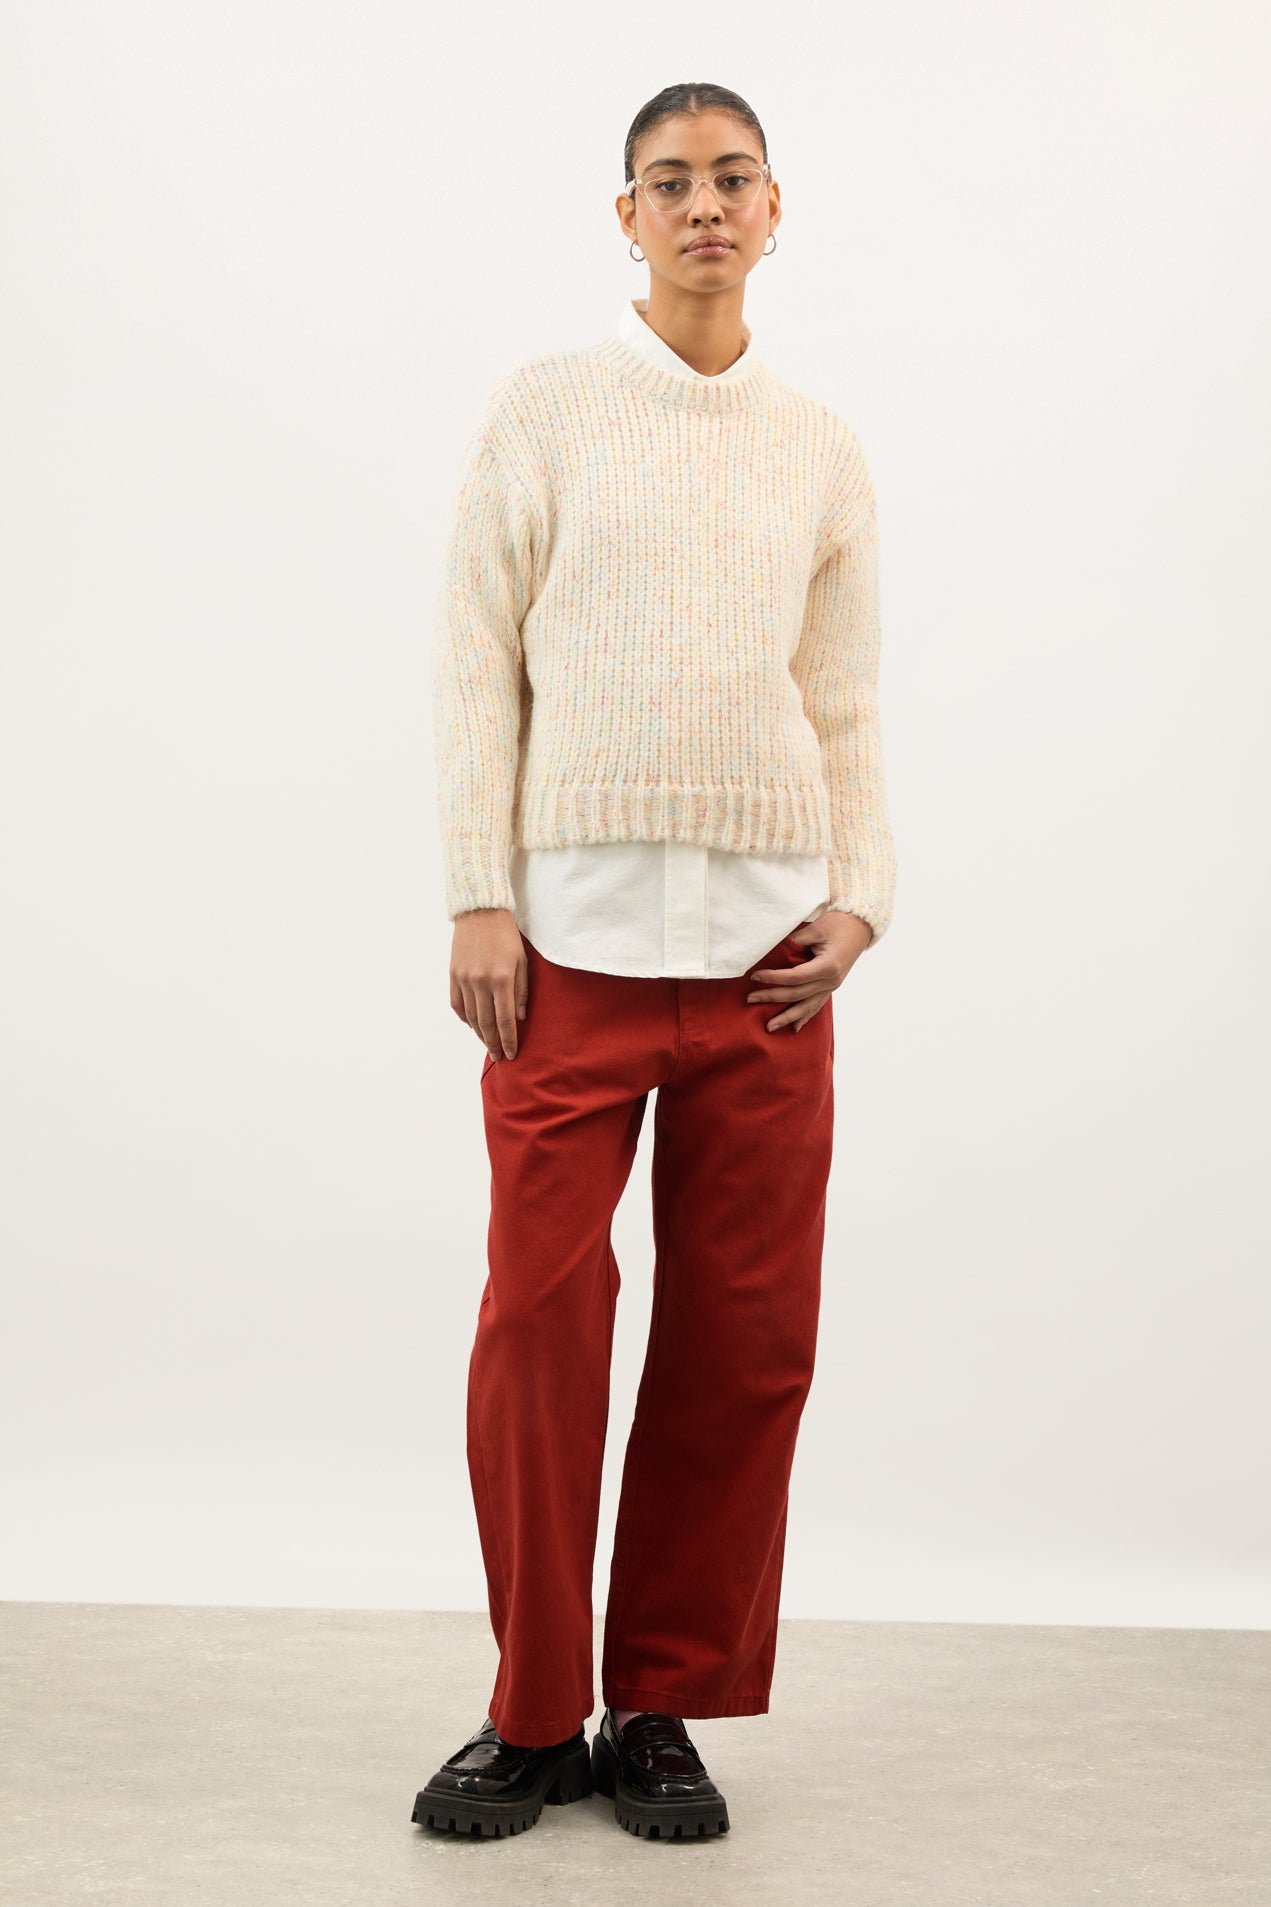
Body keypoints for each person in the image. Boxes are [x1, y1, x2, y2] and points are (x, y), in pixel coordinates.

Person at [411, 79, 897, 1843]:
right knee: (539, 1326)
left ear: (776, 209)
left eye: (733, 178)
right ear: (625, 216)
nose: (705, 205)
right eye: (671, 181)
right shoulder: (547, 409)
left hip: (771, 961)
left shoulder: (820, 447)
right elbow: (476, 653)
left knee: (742, 1341)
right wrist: (478, 891)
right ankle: (535, 1709)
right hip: (570, 952)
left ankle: (663, 1703)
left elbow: (844, 696)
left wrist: (864, 893)